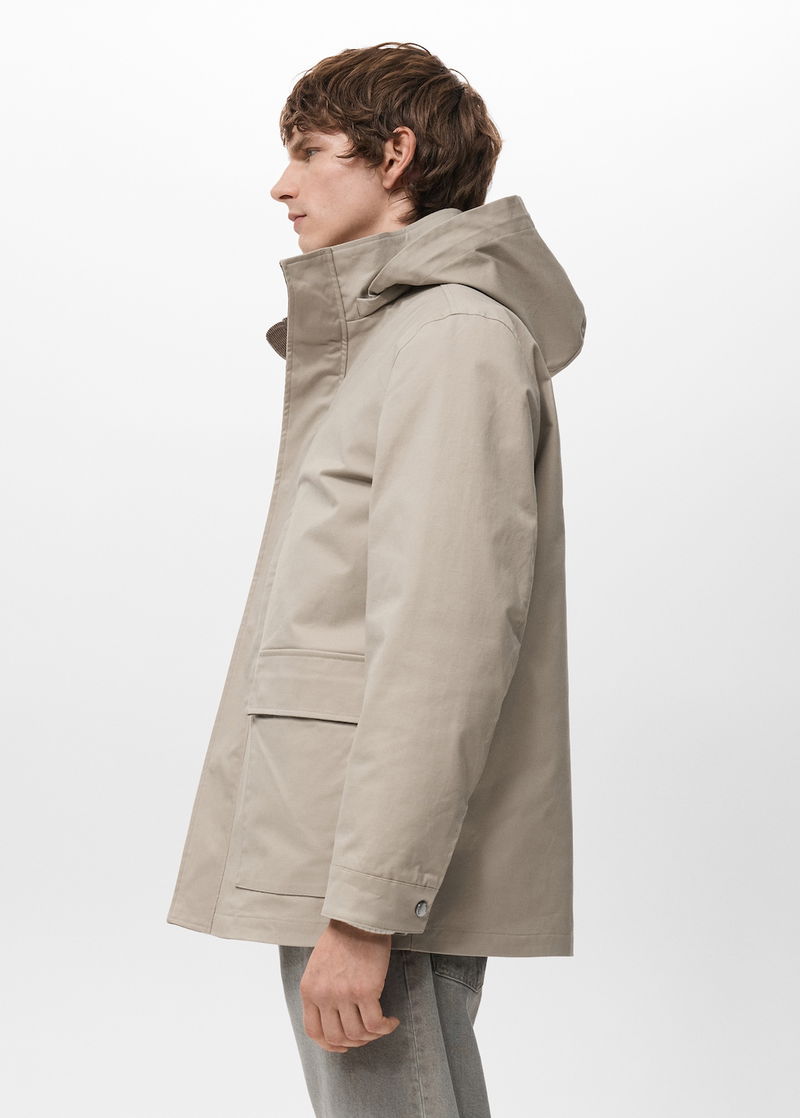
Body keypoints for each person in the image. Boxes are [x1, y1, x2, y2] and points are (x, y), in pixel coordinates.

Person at [166, 40, 586, 1118]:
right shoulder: (401, 339)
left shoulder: (449, 338)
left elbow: (445, 643)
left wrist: (363, 909)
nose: (282, 184)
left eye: (310, 152)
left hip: (371, 871)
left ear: (394, 155)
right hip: (345, 843)